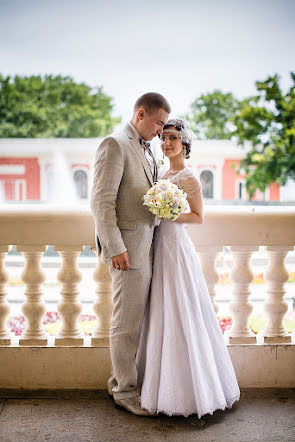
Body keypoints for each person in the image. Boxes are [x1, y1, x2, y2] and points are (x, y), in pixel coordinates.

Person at [136, 118, 240, 418]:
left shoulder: (188, 177)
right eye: (163, 138)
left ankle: (193, 390)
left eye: (172, 138)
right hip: (157, 246)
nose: (166, 143)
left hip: (176, 247)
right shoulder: (161, 172)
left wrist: (169, 212)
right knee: (159, 308)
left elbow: (198, 217)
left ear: (185, 143)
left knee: (181, 306)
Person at [90, 92, 170, 416]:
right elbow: (101, 202)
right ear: (141, 113)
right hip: (128, 252)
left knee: (137, 321)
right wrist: (115, 248)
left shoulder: (147, 149)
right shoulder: (114, 144)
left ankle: (120, 381)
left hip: (149, 247)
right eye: (158, 123)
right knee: (126, 323)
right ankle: (125, 391)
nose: (160, 131)